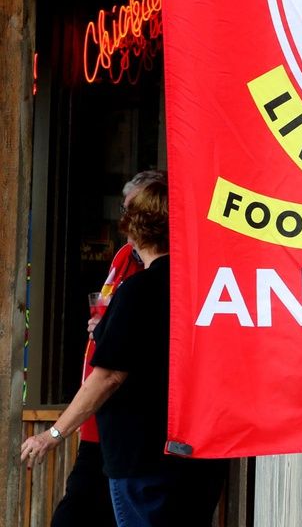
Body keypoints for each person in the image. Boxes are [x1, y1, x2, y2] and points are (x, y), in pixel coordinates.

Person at [20, 179, 227, 526]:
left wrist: (52, 434)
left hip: (143, 455)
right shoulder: (205, 284)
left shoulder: (140, 289)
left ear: (135, 228)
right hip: (197, 449)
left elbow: (110, 375)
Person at [45, 169, 160, 527]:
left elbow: (112, 373)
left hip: (127, 428)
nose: (126, 220)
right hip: (102, 423)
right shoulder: (124, 257)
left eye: (134, 212)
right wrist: (105, 327)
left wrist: (52, 433)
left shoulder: (152, 279)